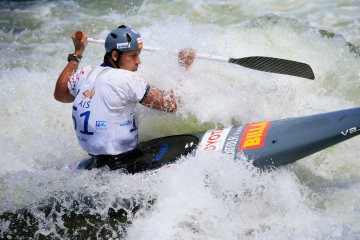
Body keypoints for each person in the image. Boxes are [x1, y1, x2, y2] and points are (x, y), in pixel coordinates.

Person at [54, 25, 196, 172]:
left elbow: (60, 94)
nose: (138, 61)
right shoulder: (128, 78)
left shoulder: (85, 72)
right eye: (133, 55)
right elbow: (173, 105)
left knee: (144, 141)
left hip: (97, 162)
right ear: (115, 56)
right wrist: (183, 66)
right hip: (122, 164)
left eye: (138, 55)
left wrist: (77, 52)